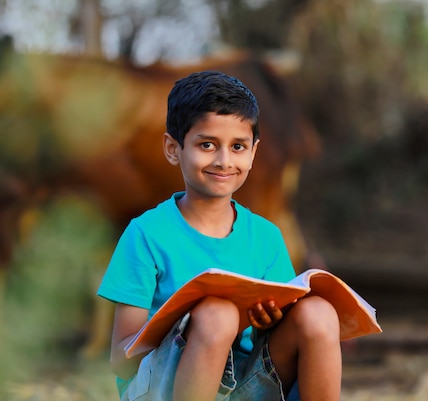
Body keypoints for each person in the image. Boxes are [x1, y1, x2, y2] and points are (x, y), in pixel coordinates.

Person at [97, 70, 342, 401]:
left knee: (319, 314)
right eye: (207, 144)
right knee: (217, 314)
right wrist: (188, 328)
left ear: (254, 153)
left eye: (238, 146)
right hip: (163, 388)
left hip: (245, 384)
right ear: (173, 148)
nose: (224, 161)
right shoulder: (145, 235)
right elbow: (121, 361)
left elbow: (280, 332)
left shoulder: (267, 237)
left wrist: (265, 322)